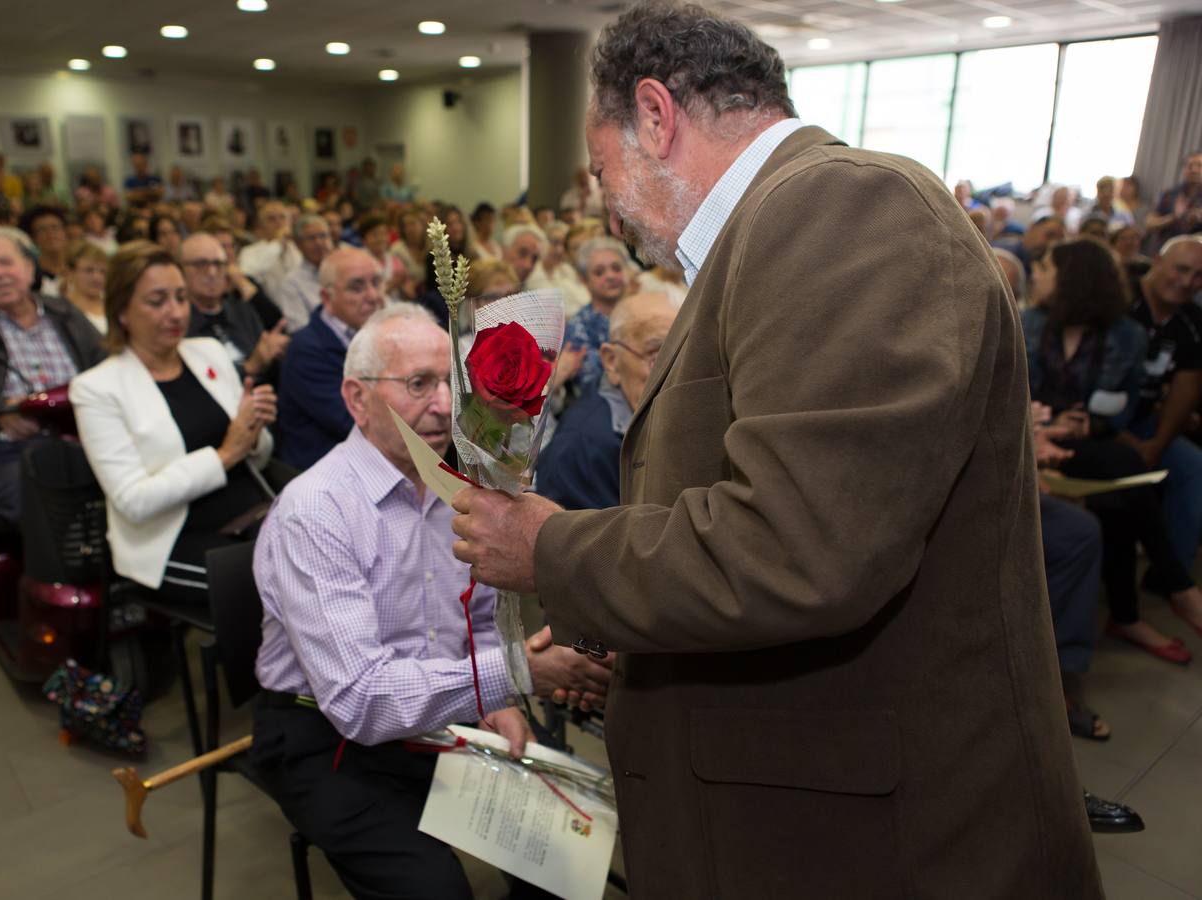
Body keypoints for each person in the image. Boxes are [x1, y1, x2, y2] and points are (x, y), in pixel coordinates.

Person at [448, 5, 1099, 896]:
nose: (604, 198)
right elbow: (741, 503)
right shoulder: (769, 234)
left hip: (882, 840)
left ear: (654, 115)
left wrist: (551, 549)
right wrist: (625, 634)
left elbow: (800, 546)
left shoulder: (842, 206)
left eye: (602, 169)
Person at [251, 301, 611, 898]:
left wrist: (497, 696)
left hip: (438, 708)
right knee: (435, 890)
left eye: (451, 382)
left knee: (566, 850)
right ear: (356, 398)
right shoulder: (315, 510)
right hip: (325, 730)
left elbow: (474, 617)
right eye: (418, 384)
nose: (444, 405)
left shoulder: (457, 486)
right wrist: (515, 674)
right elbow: (360, 701)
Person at [1023, 239, 1202, 662]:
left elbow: (1121, 409)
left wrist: (1089, 422)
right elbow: (1014, 393)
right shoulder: (1027, 322)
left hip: (1090, 440)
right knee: (1124, 474)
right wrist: (1052, 420)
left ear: (1072, 278)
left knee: (1122, 484)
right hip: (1038, 436)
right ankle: (1174, 593)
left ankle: (1134, 611)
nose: (1038, 273)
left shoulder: (1126, 335)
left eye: (1047, 267)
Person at [71, 242, 277, 605]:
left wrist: (255, 432)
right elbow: (134, 501)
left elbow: (255, 460)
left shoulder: (207, 353)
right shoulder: (98, 388)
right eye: (157, 301)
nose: (176, 312)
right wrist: (226, 453)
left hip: (249, 512)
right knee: (269, 589)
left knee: (322, 561)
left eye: (181, 297)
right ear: (121, 311)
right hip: (170, 537)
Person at [0, 226, 104, 534]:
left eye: (5, 262)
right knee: (46, 494)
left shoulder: (64, 312)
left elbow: (106, 365)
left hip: (85, 435)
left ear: (28, 268)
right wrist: (1, 410)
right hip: (3, 450)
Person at [537, 292, 676, 510]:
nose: (676, 373)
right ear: (611, 361)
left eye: (683, 356)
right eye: (656, 357)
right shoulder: (581, 448)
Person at [1126, 235, 1202, 578]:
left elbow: (1186, 389)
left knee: (1193, 468)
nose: (1187, 282)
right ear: (1157, 260)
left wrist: (1158, 443)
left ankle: (1172, 580)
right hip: (1097, 423)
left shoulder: (1192, 320)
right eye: (1181, 269)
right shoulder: (1120, 298)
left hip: (1146, 421)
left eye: (1199, 276)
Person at [277, 247, 382, 470]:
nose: (373, 296)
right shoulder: (306, 350)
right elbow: (354, 422)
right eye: (357, 287)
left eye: (376, 282)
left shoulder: (374, 330)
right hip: (326, 467)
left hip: (368, 455)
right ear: (327, 297)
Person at [181, 233, 288, 379]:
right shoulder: (178, 322)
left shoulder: (242, 310)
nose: (212, 272)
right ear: (180, 270)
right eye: (201, 264)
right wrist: (249, 367)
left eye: (218, 264)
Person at [566, 237, 630, 395]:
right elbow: (593, 384)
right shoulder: (578, 327)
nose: (610, 276)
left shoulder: (644, 311)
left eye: (616, 268)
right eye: (599, 272)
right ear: (584, 280)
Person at [272, 215, 333, 332]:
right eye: (311, 238)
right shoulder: (291, 282)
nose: (319, 242)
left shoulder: (345, 271)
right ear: (298, 244)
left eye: (323, 236)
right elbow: (299, 329)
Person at [238, 201, 300, 299]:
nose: (278, 222)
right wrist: (277, 244)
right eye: (271, 219)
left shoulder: (299, 248)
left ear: (290, 222)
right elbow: (248, 274)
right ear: (261, 226)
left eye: (282, 217)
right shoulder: (249, 251)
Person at [1146, 151, 1202, 249]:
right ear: (1184, 170)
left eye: (1199, 165)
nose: (1194, 169)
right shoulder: (1170, 194)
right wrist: (1173, 218)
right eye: (1190, 165)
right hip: (1166, 250)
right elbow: (1149, 224)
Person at [992, 214, 1066, 280]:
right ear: (1032, 228)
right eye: (1050, 235)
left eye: (1059, 241)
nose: (1052, 244)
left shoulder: (1049, 269)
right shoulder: (1002, 254)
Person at [61, 241, 109, 334]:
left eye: (103, 272)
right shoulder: (60, 309)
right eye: (89, 270)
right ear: (70, 273)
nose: (97, 277)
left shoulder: (114, 306)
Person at [20, 206, 68, 296]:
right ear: (33, 239)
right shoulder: (30, 276)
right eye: (42, 229)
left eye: (55, 227)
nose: (50, 234)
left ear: (65, 232)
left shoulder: (81, 270)